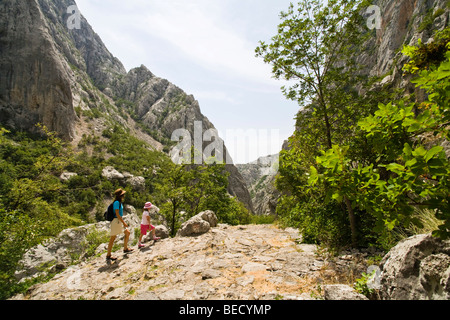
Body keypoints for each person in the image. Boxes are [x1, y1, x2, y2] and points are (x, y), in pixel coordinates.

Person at [106, 188, 134, 261]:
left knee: (127, 232)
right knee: (113, 238)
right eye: (123, 194)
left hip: (119, 220)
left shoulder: (119, 202)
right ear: (121, 195)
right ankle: (108, 255)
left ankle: (125, 248)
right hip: (116, 221)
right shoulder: (117, 203)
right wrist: (124, 223)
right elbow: (117, 214)